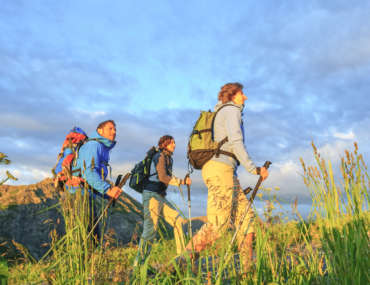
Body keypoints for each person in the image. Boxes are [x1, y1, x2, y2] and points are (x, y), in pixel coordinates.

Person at [185, 82, 269, 268]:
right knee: (218, 225)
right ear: (232, 95)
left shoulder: (224, 112)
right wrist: (254, 168)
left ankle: (247, 272)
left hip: (226, 171)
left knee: (246, 221)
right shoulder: (231, 110)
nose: (245, 97)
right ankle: (180, 264)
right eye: (241, 94)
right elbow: (236, 142)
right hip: (220, 170)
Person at [134, 135, 191, 266]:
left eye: (174, 143)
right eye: (172, 143)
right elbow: (163, 177)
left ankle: (181, 259)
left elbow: (166, 177)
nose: (174, 145)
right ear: (164, 144)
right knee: (150, 230)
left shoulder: (168, 158)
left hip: (159, 196)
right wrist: (182, 182)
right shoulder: (159, 156)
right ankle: (139, 265)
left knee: (178, 220)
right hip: (151, 196)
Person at [65, 120, 122, 242]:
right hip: (80, 195)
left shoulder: (100, 147)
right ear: (100, 131)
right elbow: (89, 173)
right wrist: (108, 189)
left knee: (89, 235)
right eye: (110, 128)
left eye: (115, 129)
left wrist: (108, 194)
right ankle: (87, 259)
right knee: (88, 237)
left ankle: (89, 258)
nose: (114, 131)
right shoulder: (94, 145)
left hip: (83, 193)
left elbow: (90, 178)